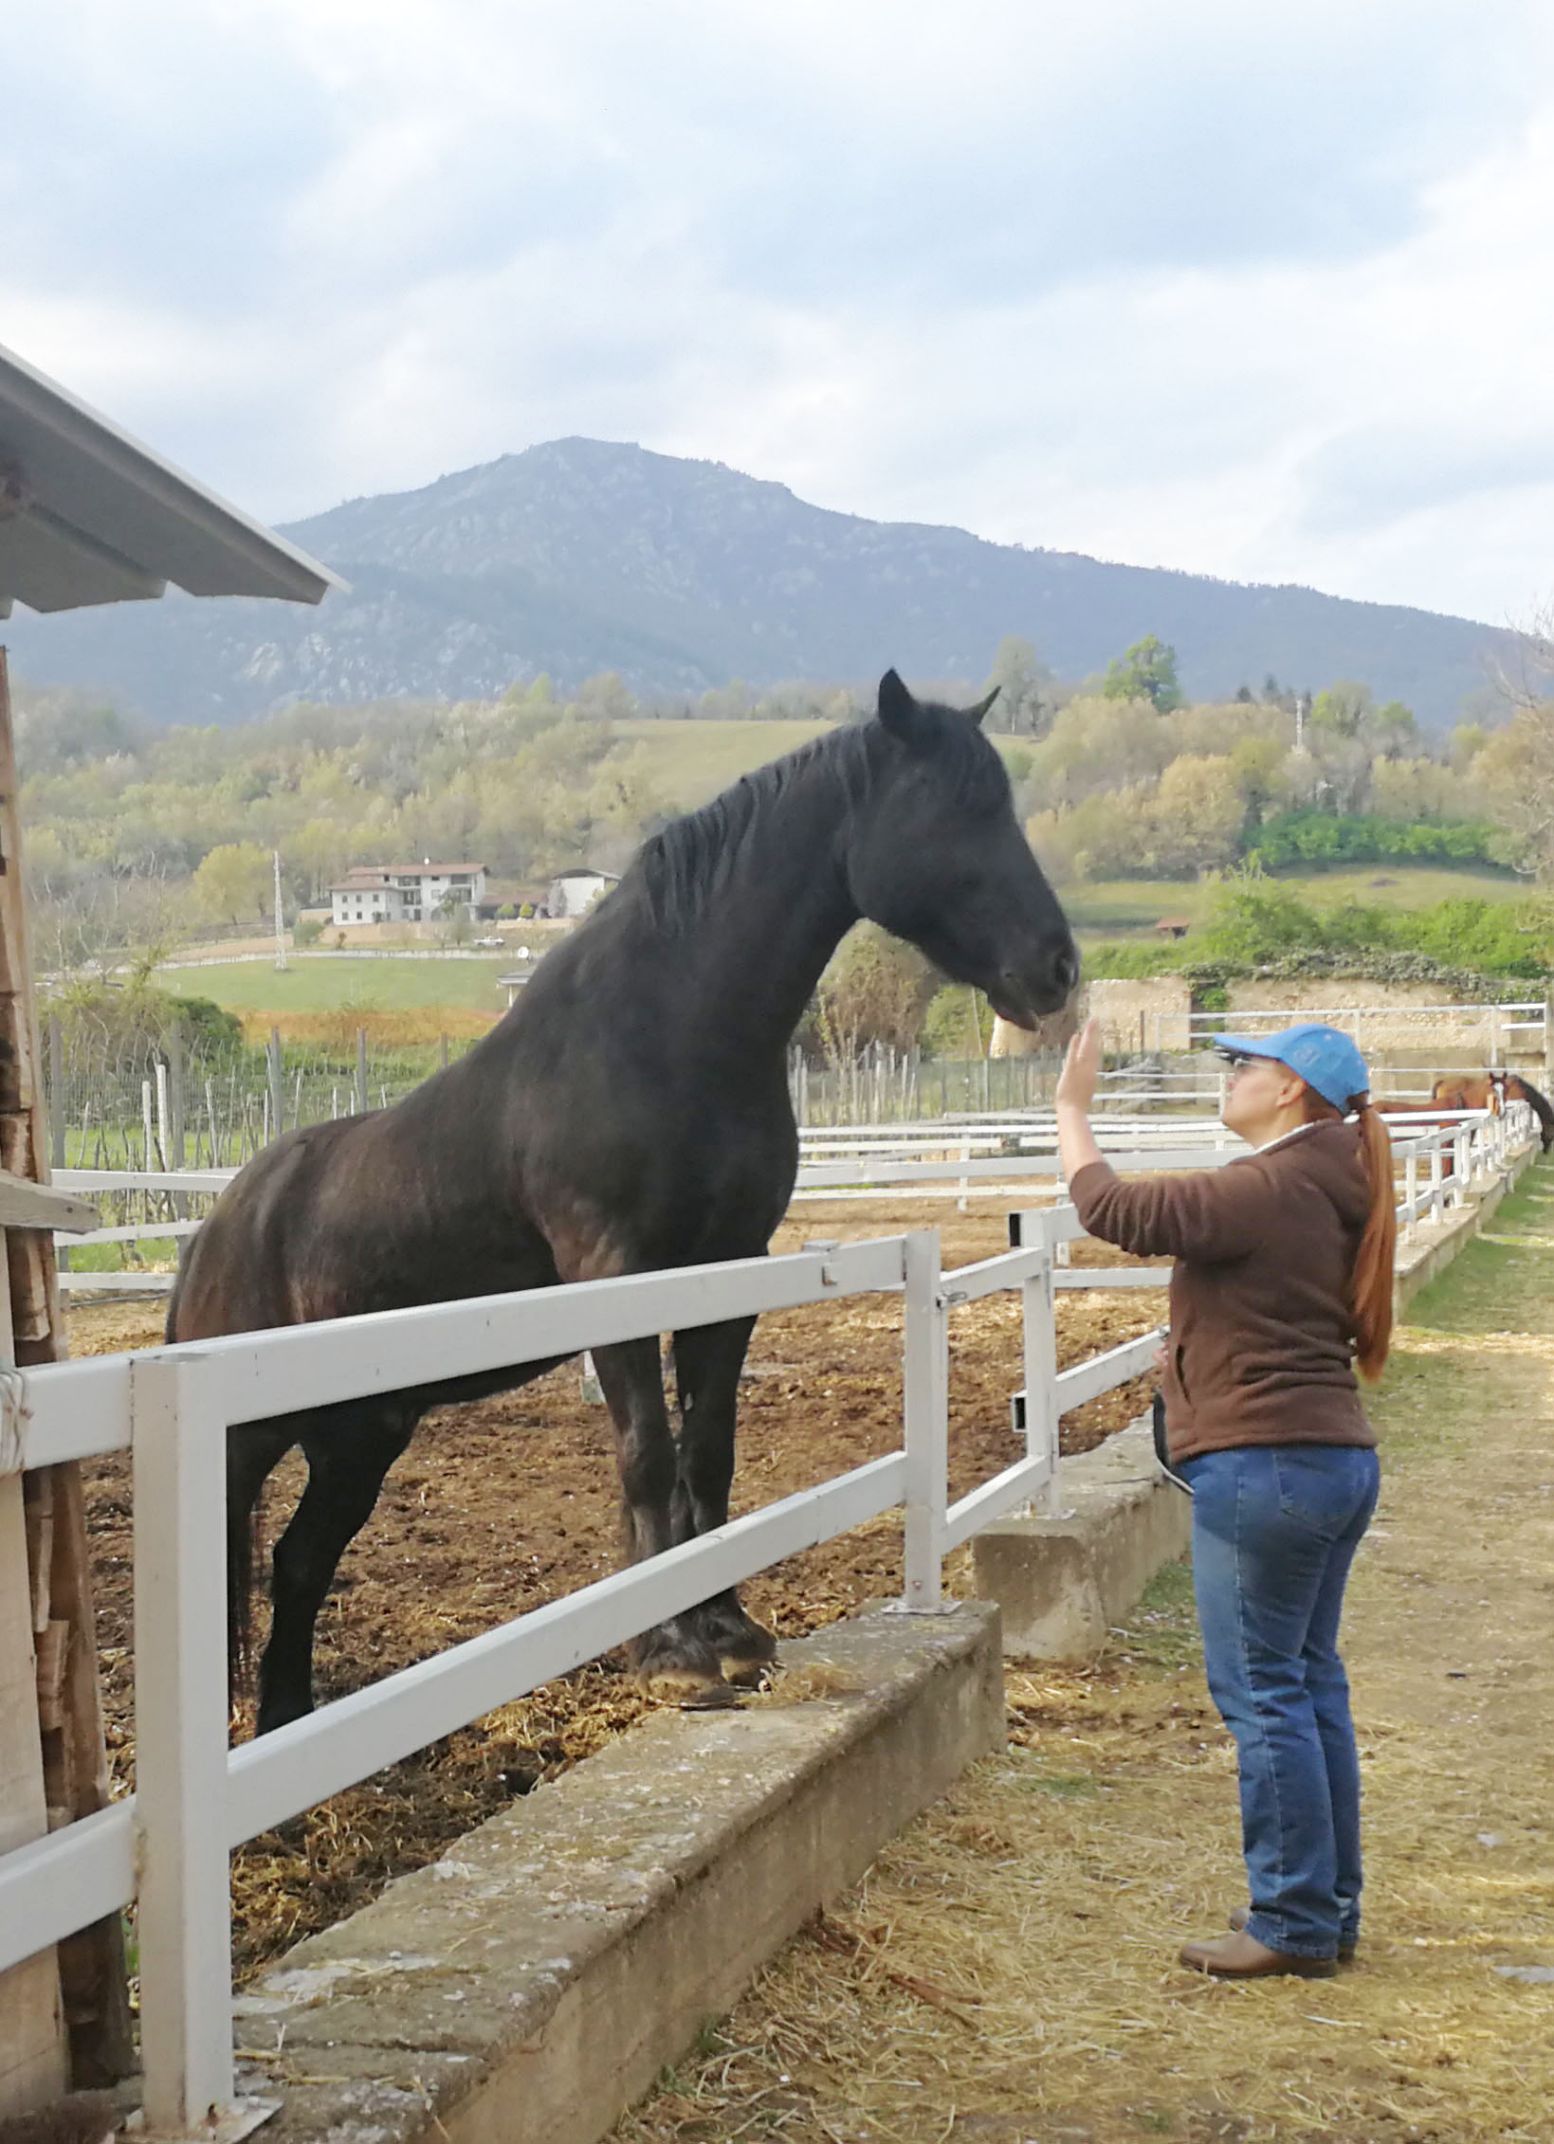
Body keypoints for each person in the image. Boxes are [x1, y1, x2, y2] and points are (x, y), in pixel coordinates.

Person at [1054, 1018, 1395, 1980]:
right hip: (1327, 1458)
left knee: (1264, 1695)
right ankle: (1325, 1911)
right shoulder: (1329, 1180)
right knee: (1307, 1685)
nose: (1233, 1076)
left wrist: (1072, 1111)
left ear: (1292, 1090)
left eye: (1248, 1064)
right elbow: (1269, 1308)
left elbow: (1113, 1210)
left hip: (1267, 1471)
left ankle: (1289, 1920)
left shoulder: (1271, 1182)